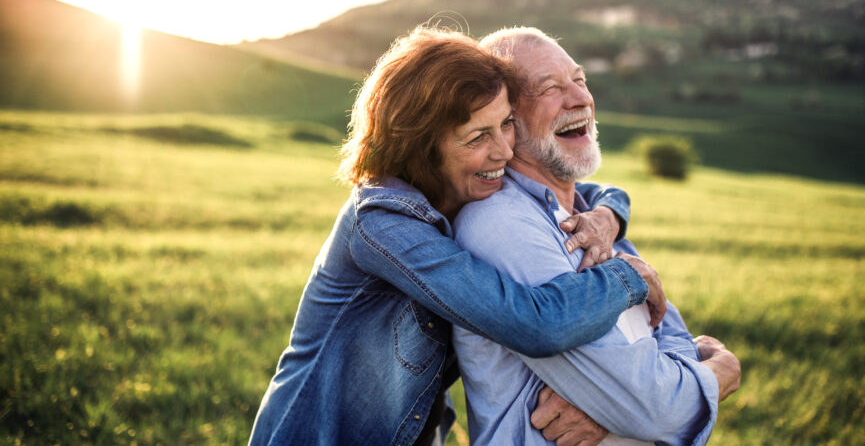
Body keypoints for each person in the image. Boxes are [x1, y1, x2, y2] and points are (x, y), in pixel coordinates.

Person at [248, 27, 666, 445]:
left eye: (505, 124)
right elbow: (534, 324)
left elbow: (587, 192)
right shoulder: (382, 224)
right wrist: (630, 278)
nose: (503, 150)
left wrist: (609, 215)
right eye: (478, 137)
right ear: (422, 147)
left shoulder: (464, 189)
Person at [452, 27, 742, 445]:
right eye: (550, 88)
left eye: (580, 79)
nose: (580, 99)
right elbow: (655, 408)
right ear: (505, 120)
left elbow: (670, 336)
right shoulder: (500, 226)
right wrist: (722, 372)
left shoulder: (596, 221)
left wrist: (618, 408)